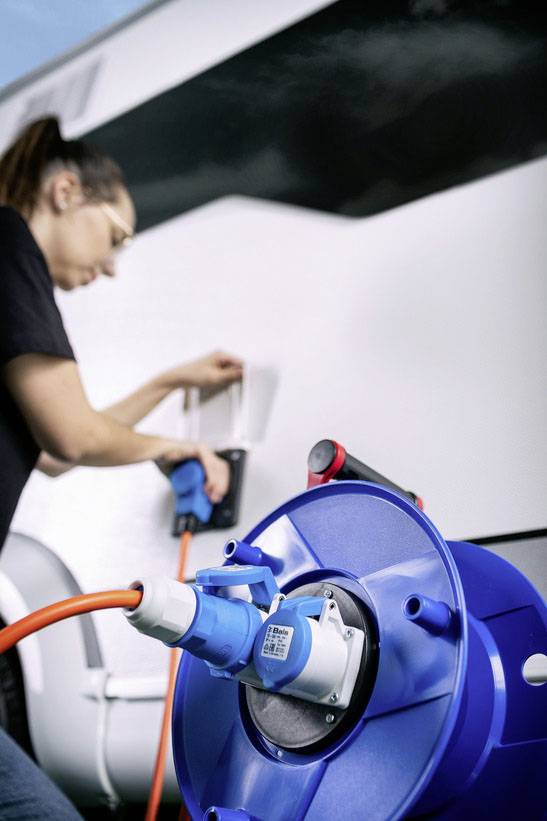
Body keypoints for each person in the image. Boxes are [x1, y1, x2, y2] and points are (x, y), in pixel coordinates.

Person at [0, 117, 243, 818]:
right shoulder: (7, 240)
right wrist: (168, 447)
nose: (110, 265)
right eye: (116, 237)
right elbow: (73, 434)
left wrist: (168, 383)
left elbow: (48, 450)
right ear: (66, 191)